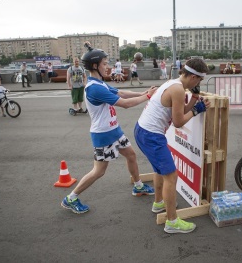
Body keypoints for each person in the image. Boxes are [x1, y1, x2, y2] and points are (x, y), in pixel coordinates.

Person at [60, 42, 157, 214]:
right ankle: (71, 198)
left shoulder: (100, 84)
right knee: (99, 171)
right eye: (105, 64)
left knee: (131, 155)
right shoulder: (95, 88)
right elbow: (125, 104)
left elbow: (121, 93)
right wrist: (148, 96)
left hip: (114, 130)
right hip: (103, 135)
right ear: (95, 66)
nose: (108, 67)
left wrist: (143, 93)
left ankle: (138, 186)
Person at [134, 58, 211, 234]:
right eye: (199, 80)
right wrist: (197, 110)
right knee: (171, 176)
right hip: (152, 136)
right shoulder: (177, 90)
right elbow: (178, 122)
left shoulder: (173, 83)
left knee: (159, 170)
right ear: (193, 77)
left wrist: (195, 100)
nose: (199, 83)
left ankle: (159, 202)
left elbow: (180, 111)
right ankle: (172, 221)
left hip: (142, 130)